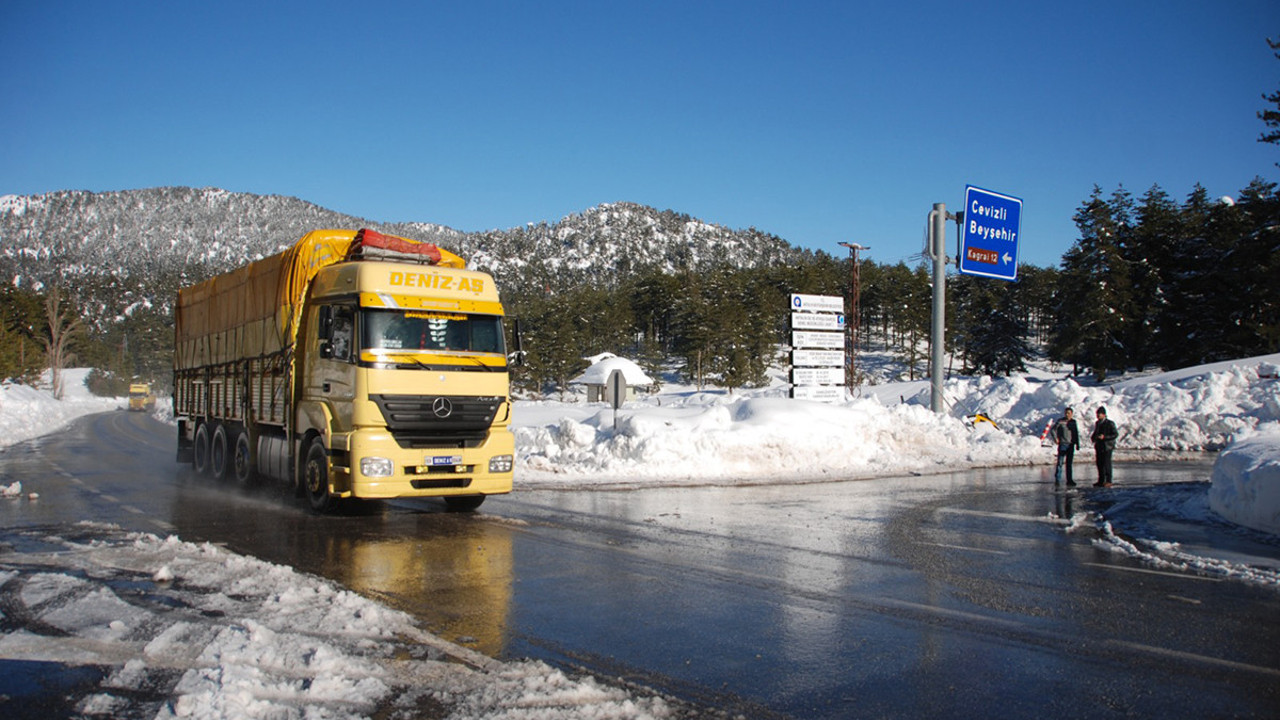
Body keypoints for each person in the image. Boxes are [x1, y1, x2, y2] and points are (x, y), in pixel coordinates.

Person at [1051, 407, 1079, 487]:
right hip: (1063, 444)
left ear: (1072, 414)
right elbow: (1053, 430)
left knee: (1069, 463)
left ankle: (1069, 480)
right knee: (1060, 462)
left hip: (1070, 445)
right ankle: (1058, 479)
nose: (1067, 415)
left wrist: (1077, 443)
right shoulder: (1060, 421)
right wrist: (1055, 438)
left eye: (1069, 413)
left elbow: (1075, 433)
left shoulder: (1073, 422)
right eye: (1066, 413)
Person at [1091, 406, 1118, 487]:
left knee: (1106, 464)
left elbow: (1115, 434)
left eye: (1099, 414)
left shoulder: (1110, 423)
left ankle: (1109, 480)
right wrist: (1093, 438)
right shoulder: (1097, 423)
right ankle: (1101, 480)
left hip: (1107, 447)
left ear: (1104, 414)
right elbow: (1096, 432)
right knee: (1099, 463)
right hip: (1099, 446)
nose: (1098, 415)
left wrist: (1105, 437)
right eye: (1097, 414)